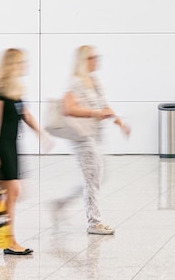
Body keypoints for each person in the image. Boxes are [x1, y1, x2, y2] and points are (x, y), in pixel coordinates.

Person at [59, 45, 130, 235]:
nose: (96, 60)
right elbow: (67, 108)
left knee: (98, 177)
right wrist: (94, 113)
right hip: (82, 137)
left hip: (97, 135)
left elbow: (103, 105)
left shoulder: (94, 81)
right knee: (92, 180)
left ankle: (62, 203)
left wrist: (119, 121)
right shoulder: (75, 82)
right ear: (83, 61)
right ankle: (94, 223)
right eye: (92, 57)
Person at [0, 48, 50, 255]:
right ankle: (9, 241)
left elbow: (26, 115)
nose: (26, 66)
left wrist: (42, 134)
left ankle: (6, 238)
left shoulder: (15, 90)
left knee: (11, 193)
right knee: (11, 192)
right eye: (22, 62)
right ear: (12, 64)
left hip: (12, 146)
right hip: (1, 147)